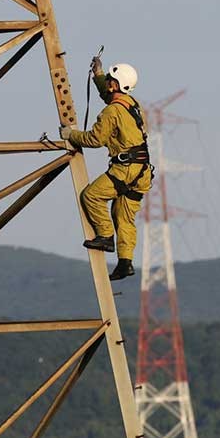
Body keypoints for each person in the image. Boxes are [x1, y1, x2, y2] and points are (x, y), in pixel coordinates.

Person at [60, 57, 152, 281]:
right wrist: (99, 75)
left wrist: (71, 135)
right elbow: (110, 95)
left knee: (91, 196)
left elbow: (94, 139)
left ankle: (105, 236)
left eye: (110, 80)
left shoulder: (112, 112)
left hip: (125, 169)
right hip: (142, 172)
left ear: (115, 84)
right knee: (123, 216)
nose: (108, 83)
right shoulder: (134, 106)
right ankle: (125, 262)